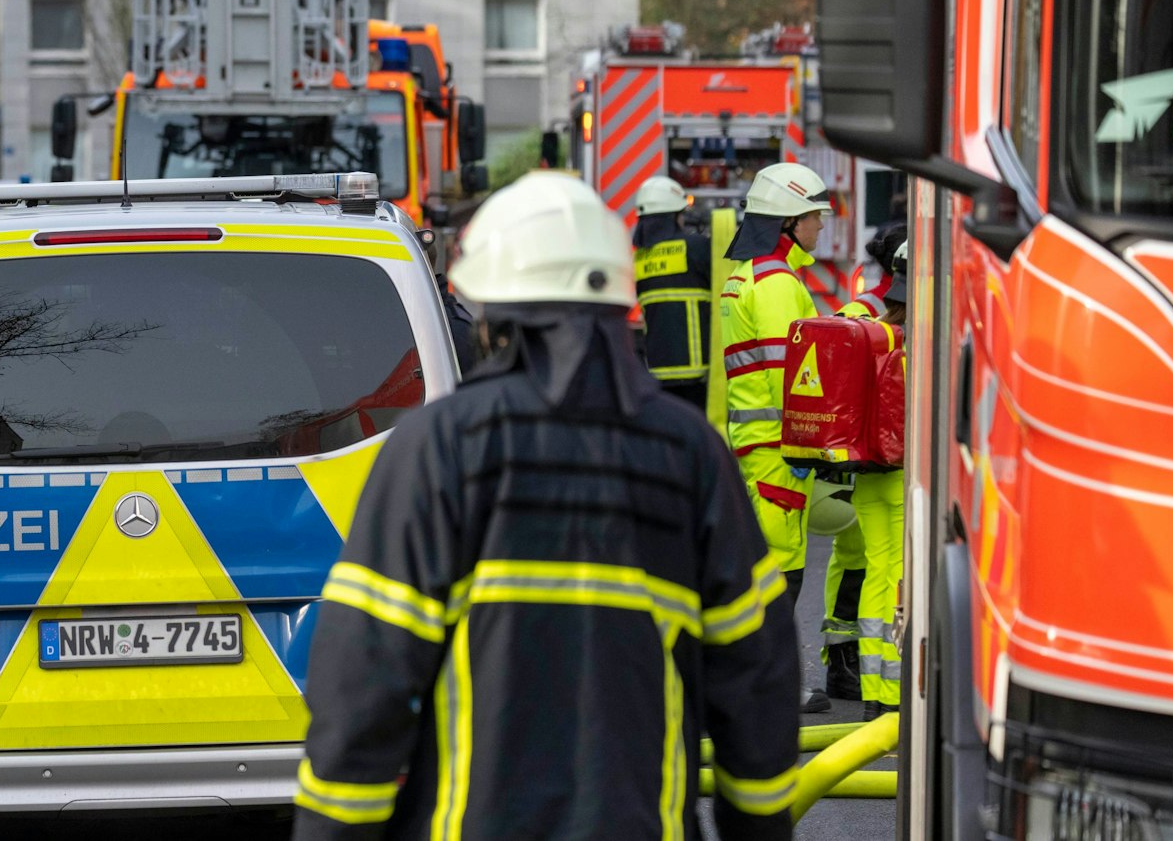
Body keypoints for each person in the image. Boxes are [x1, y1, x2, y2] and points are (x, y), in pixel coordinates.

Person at [292, 172, 800, 841]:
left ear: (494, 310)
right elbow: (755, 680)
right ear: (620, 302)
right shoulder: (691, 457)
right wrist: (758, 826)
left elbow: (362, 685)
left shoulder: (436, 449)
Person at [720, 162, 828, 710]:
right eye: (814, 217)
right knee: (784, 571)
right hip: (779, 449)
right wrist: (813, 443)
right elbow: (798, 377)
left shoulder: (743, 275)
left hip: (753, 444)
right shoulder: (779, 285)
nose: (820, 227)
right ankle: (773, 687)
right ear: (789, 222)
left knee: (765, 565)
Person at [828, 228, 907, 718]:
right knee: (897, 580)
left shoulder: (875, 332)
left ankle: (875, 696)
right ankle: (893, 695)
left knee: (877, 573)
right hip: (901, 479)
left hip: (868, 477)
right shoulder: (916, 344)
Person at [632, 175, 714, 410]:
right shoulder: (695, 247)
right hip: (698, 373)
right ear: (673, 216)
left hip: (657, 371)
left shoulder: (639, 258)